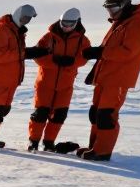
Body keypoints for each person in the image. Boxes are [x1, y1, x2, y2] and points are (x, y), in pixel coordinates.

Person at [55, 0, 140, 161]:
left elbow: (127, 52)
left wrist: (100, 52)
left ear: (124, 6)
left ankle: (102, 151)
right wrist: (98, 54)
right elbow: (110, 50)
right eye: (108, 9)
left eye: (113, 9)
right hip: (105, 77)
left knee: (107, 115)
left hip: (117, 79)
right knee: (96, 113)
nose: (110, 13)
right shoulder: (120, 24)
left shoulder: (137, 24)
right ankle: (95, 147)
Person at [0, 5, 49, 151]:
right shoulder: (1, 33)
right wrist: (25, 53)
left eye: (28, 19)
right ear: (17, 15)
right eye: (24, 17)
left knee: (3, 110)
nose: (26, 21)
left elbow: (15, 55)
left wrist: (27, 52)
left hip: (10, 80)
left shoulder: (17, 33)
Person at [26, 8, 92, 152]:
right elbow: (38, 56)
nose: (66, 27)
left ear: (77, 23)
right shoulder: (48, 37)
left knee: (59, 115)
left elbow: (84, 58)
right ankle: (34, 142)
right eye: (64, 23)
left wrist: (72, 62)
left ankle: (49, 142)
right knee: (40, 114)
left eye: (70, 24)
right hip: (45, 83)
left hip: (66, 85)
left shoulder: (83, 40)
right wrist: (54, 61)